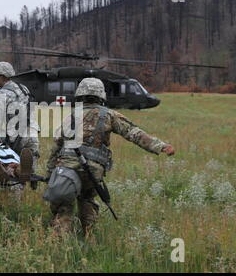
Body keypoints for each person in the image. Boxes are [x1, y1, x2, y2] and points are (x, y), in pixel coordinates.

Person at [46, 78, 175, 235]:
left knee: (64, 206)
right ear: (101, 95)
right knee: (87, 200)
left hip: (66, 168)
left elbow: (57, 145)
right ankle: (89, 237)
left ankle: (59, 242)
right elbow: (133, 133)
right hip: (92, 170)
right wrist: (160, 146)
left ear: (80, 95)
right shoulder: (109, 115)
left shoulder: (71, 116)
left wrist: (50, 172)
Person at [0, 62, 39, 189]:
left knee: (11, 173)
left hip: (16, 138)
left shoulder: (1, 95)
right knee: (29, 163)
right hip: (32, 133)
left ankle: (14, 203)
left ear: (4, 76)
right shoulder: (24, 89)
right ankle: (31, 174)